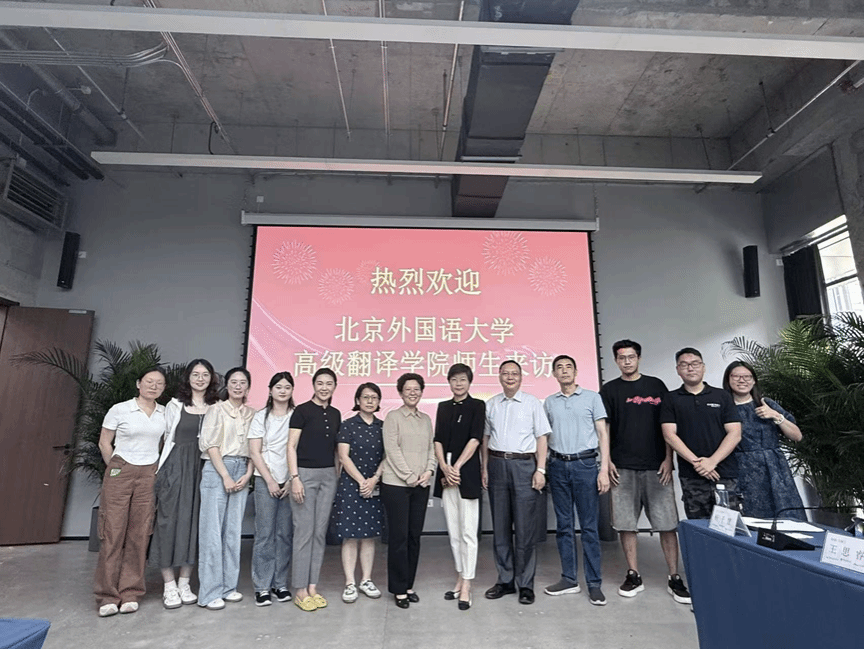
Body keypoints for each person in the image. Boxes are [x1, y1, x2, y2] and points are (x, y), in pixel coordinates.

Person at [599, 340, 690, 604]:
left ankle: (674, 577)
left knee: (667, 524)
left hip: (656, 467)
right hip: (622, 467)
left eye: (631, 357)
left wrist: (668, 459)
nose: (627, 361)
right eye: (621, 358)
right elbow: (605, 429)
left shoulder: (656, 386)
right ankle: (633, 574)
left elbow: (668, 426)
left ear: (638, 358)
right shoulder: (610, 390)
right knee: (626, 525)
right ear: (616, 361)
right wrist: (607, 461)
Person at [94, 367, 168, 617]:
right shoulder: (120, 409)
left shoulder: (164, 413)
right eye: (149, 381)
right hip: (121, 469)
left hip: (149, 474)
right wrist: (115, 467)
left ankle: (130, 592)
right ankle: (107, 595)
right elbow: (104, 441)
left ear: (163, 388)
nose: (153, 386)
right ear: (138, 384)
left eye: (159, 383)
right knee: (112, 532)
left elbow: (163, 444)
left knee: (140, 533)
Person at [150, 359, 219, 610]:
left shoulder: (217, 406)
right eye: (195, 374)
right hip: (176, 468)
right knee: (168, 524)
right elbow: (164, 438)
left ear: (211, 378)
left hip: (204, 470)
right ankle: (169, 585)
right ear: (188, 377)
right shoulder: (175, 405)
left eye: (205, 374)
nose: (200, 379)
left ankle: (185, 582)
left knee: (195, 525)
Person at [543, 355, 610, 606]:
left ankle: (594, 583)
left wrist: (604, 469)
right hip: (558, 465)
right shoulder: (549, 402)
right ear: (554, 374)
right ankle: (569, 579)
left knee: (589, 527)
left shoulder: (592, 398)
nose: (564, 371)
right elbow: (544, 436)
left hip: (586, 465)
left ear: (576, 371)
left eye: (568, 367)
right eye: (559, 368)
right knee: (564, 526)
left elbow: (602, 434)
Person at [482, 360, 551, 606]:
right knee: (500, 528)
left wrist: (540, 469)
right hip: (497, 464)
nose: (510, 377)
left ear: (521, 377)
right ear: (499, 377)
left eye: (514, 374)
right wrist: (484, 468)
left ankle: (525, 584)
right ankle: (505, 580)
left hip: (524, 466)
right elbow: (485, 438)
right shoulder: (491, 404)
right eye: (505, 373)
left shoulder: (532, 403)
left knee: (525, 529)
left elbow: (542, 438)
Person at [197, 367, 255, 610]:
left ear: (248, 387)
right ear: (227, 385)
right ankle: (209, 593)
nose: (238, 386)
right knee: (212, 531)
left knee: (232, 531)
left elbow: (256, 448)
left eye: (243, 382)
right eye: (234, 382)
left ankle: (228, 587)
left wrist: (248, 474)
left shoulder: (252, 414)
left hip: (243, 468)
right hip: (218, 468)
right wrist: (225, 476)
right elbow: (210, 446)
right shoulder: (216, 410)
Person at [660, 348, 742, 520]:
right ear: (678, 370)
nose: (690, 368)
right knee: (699, 527)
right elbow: (669, 435)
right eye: (684, 365)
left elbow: (735, 433)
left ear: (703, 367)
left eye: (695, 364)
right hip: (691, 475)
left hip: (724, 473)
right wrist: (698, 464)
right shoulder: (671, 398)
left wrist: (712, 462)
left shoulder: (722, 396)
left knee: (729, 526)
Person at [722, 361, 805, 520]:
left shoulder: (766, 403)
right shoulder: (724, 408)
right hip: (742, 471)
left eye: (747, 376)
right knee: (753, 519)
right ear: (728, 380)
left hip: (775, 469)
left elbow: (797, 436)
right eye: (736, 376)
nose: (742, 380)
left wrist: (775, 415)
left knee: (788, 516)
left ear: (754, 381)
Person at [380, 373, 436, 609]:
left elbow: (431, 448)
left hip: (420, 485)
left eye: (416, 389)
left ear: (421, 392)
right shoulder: (393, 417)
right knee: (399, 538)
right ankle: (398, 588)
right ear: (400, 392)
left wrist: (429, 471)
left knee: (414, 537)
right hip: (397, 486)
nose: (413, 393)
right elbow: (392, 450)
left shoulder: (426, 419)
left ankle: (409, 584)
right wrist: (409, 476)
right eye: (408, 389)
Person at [288, 367, 341, 612]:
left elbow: (336, 450)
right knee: (304, 533)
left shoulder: (336, 413)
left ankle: (312, 587)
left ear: (334, 386)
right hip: (304, 475)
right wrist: (295, 478)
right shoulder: (301, 411)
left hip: (328, 476)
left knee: (320, 533)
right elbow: (291, 446)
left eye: (329, 383)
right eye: (320, 383)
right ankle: (299, 590)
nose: (324, 387)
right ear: (313, 385)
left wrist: (336, 475)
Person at [433, 363, 485, 611]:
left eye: (462, 379)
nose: (458, 384)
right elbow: (438, 440)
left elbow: (475, 439)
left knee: (468, 532)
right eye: (454, 379)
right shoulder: (443, 407)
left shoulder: (477, 406)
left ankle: (467, 583)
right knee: (454, 532)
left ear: (469, 382)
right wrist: (445, 467)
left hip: (467, 472)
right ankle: (459, 576)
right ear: (449, 382)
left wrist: (457, 467)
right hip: (447, 473)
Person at [334, 383, 385, 603]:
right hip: (351, 485)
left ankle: (366, 580)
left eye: (374, 397)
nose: (370, 401)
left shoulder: (383, 426)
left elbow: (387, 456)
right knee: (350, 535)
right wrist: (362, 481)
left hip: (374, 485)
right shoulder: (348, 425)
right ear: (357, 400)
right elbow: (343, 457)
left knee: (369, 535)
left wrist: (374, 480)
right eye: (366, 397)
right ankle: (350, 583)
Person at [248, 371, 296, 607]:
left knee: (285, 534)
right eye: (278, 387)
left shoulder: (297, 416)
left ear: (292, 390)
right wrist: (269, 480)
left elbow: (299, 450)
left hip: (290, 481)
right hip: (264, 480)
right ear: (270, 390)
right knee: (265, 534)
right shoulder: (260, 417)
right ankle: (262, 586)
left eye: (287, 387)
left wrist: (290, 480)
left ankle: (280, 583)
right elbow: (254, 451)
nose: (283, 391)